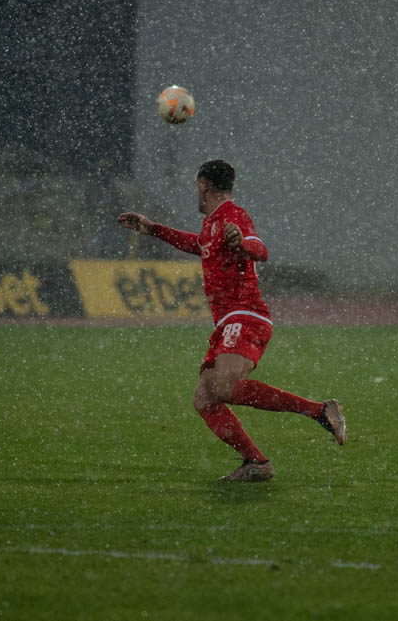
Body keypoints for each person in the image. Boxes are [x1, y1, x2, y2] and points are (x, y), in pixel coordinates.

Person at [117, 159, 346, 482]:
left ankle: (320, 411)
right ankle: (256, 462)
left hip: (246, 314)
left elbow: (260, 248)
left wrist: (243, 243)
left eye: (195, 187)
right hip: (227, 321)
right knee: (204, 398)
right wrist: (153, 229)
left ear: (203, 185)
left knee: (223, 387)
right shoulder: (212, 224)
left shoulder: (232, 216)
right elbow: (197, 245)